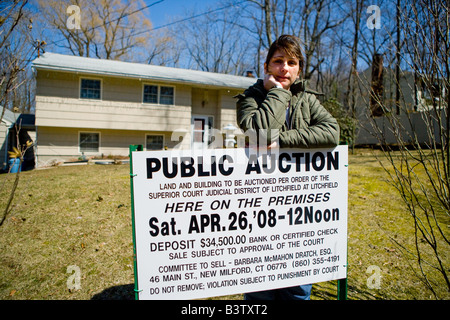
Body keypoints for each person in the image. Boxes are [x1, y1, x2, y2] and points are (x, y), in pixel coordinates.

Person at [235, 35, 340, 300]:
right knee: (260, 294)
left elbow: (332, 133)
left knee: (297, 292)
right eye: (278, 61)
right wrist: (278, 94)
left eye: (292, 62)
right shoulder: (250, 98)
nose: (285, 68)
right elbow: (259, 132)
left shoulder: (308, 100)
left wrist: (282, 141)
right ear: (267, 67)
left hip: (298, 213)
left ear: (299, 69)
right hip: (259, 211)